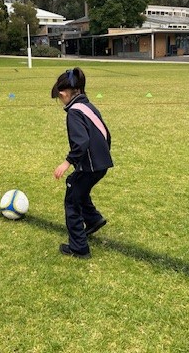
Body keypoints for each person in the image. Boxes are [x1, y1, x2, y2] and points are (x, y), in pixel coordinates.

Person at [52, 67, 113, 259]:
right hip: (101, 164)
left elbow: (81, 142)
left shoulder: (74, 112)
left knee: (72, 200)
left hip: (91, 166)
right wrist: (103, 156)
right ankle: (93, 219)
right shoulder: (88, 106)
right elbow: (106, 133)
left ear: (63, 94)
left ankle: (79, 247)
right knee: (77, 187)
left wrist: (67, 162)